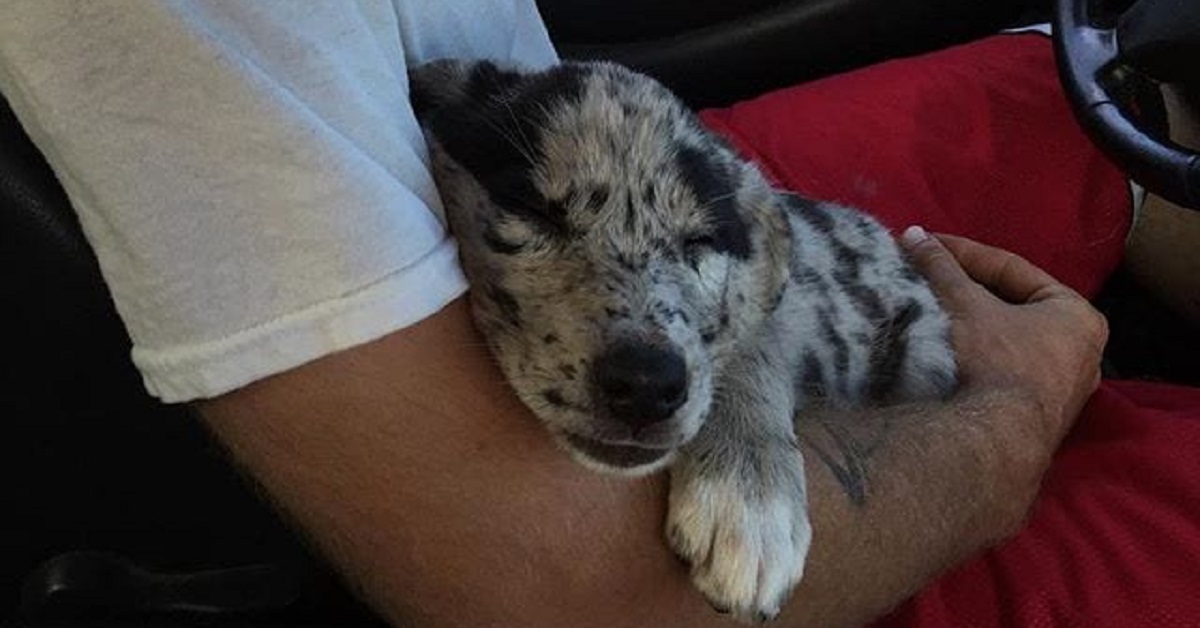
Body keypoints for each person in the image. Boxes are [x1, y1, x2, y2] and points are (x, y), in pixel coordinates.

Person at [1, 3, 1196, 627]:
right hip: (622, 533)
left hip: (661, 192)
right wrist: (1015, 418)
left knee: (1066, 88)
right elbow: (559, 595)